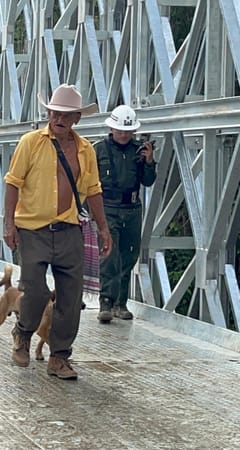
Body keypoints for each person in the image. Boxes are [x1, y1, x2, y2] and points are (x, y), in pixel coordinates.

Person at [3, 84, 113, 380]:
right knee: (35, 289)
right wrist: (9, 224)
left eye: (66, 114)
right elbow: (13, 182)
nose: (59, 119)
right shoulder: (30, 142)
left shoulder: (85, 150)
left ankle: (60, 356)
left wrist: (103, 228)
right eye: (55, 113)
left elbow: (93, 190)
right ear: (48, 113)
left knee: (71, 296)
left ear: (77, 118)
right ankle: (23, 332)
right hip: (33, 229)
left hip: (69, 229)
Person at [95, 105, 156, 322]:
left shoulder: (139, 151)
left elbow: (148, 181)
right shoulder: (98, 150)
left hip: (131, 209)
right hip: (107, 208)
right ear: (111, 129)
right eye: (120, 130)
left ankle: (120, 304)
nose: (123, 135)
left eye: (127, 131)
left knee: (129, 255)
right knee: (109, 254)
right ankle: (106, 302)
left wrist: (149, 162)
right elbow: (88, 181)